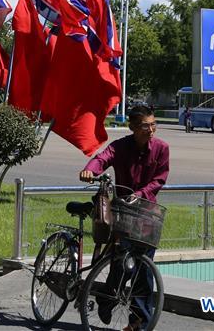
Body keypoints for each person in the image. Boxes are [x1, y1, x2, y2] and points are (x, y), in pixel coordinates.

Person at [79, 105, 170, 331]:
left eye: (153, 124)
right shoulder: (120, 147)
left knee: (143, 272)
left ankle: (138, 325)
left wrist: (138, 195)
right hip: (123, 216)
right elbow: (102, 158)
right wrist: (90, 169)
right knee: (122, 266)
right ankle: (106, 299)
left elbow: (159, 180)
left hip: (147, 216)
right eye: (145, 126)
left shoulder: (161, 148)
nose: (151, 130)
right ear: (132, 127)